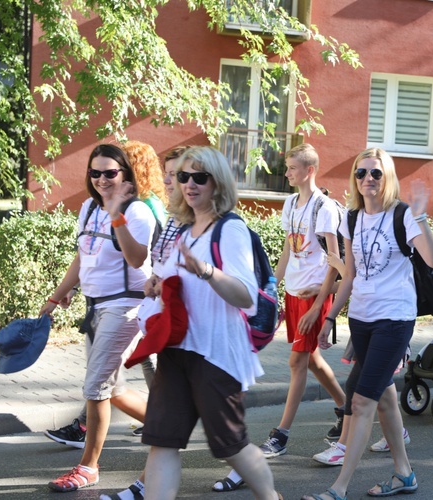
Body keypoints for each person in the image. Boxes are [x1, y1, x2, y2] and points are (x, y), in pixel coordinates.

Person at [302, 147, 433, 500]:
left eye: (376, 173)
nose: (368, 179)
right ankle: (404, 474)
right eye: (362, 173)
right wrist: (331, 317)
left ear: (387, 177)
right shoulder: (351, 218)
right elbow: (349, 273)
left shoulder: (403, 214)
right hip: (362, 320)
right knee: (384, 399)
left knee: (362, 402)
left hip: (394, 319)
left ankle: (339, 489)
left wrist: (422, 216)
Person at [141, 146, 280, 499]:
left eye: (199, 177)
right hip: (176, 350)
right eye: (183, 176)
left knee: (231, 445)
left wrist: (205, 271)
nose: (189, 184)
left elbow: (245, 295)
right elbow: (179, 285)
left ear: (216, 183)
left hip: (215, 354)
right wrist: (157, 285)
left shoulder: (230, 230)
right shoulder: (186, 231)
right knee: (163, 441)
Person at [40, 144, 156, 492]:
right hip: (96, 306)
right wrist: (58, 294)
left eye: (110, 173)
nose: (102, 179)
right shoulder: (89, 208)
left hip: (124, 307)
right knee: (114, 390)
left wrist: (117, 213)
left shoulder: (138, 212)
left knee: (95, 388)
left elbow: (137, 259)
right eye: (95, 173)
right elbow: (83, 256)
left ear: (125, 174)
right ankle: (169, 431)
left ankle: (88, 467)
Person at [99, 145, 191, 500]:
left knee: (226, 435)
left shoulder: (207, 220)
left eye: (178, 173)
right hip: (169, 332)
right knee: (167, 422)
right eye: (167, 173)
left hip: (202, 342)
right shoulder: (171, 215)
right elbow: (158, 264)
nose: (169, 180)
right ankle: (144, 486)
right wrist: (156, 282)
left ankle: (260, 483)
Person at [256, 143, 346, 458]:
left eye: (292, 168)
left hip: (313, 297)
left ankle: (280, 436)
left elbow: (334, 261)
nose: (287, 173)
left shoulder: (325, 208)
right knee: (313, 361)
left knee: (297, 362)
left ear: (309, 170)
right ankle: (345, 407)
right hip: (293, 294)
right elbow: (287, 251)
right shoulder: (291, 203)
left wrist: (321, 305)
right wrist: (270, 287)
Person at [312, 252, 412, 467]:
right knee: (383, 388)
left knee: (356, 387)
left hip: (389, 322)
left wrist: (340, 266)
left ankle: (343, 448)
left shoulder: (390, 237)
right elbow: (354, 280)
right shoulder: (358, 229)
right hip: (366, 321)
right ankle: (399, 445)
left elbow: (359, 278)